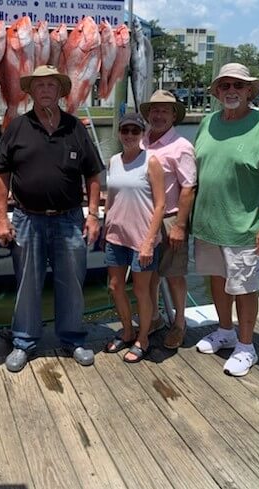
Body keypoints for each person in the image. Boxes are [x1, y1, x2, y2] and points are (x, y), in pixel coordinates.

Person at [0, 65, 104, 373]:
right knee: (27, 283)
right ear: (30, 91)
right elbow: (0, 175)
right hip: (27, 219)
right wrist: (1, 218)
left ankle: (72, 338)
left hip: (69, 219)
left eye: (50, 86)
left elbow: (93, 173)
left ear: (59, 91)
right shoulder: (17, 126)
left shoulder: (75, 127)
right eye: (39, 85)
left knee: (72, 282)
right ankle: (24, 342)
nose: (44, 90)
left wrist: (93, 214)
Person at [192, 63, 259, 376]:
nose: (231, 91)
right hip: (208, 225)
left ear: (250, 90)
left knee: (245, 289)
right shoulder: (207, 123)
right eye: (225, 86)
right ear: (217, 92)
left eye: (238, 85)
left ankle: (246, 345)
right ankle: (225, 331)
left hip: (245, 228)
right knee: (218, 281)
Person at [103, 113, 165, 362]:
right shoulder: (113, 161)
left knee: (142, 290)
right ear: (119, 133)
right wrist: (106, 222)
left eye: (135, 131)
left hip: (143, 238)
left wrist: (149, 241)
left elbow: (160, 204)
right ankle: (127, 330)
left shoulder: (151, 161)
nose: (129, 135)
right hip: (116, 236)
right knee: (115, 287)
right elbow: (111, 196)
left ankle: (144, 337)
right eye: (125, 130)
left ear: (142, 134)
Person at [139, 90, 196, 349]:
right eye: (155, 110)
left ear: (174, 115)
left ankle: (180, 323)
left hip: (170, 218)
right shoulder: (141, 141)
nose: (159, 115)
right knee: (148, 276)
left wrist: (180, 226)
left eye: (165, 110)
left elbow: (188, 188)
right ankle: (154, 318)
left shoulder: (182, 147)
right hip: (143, 220)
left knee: (174, 275)